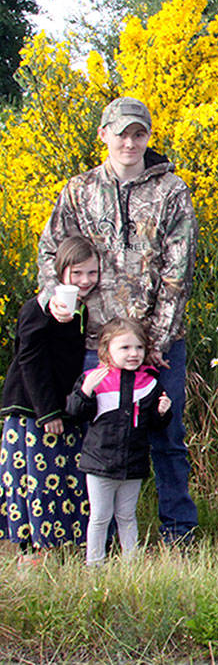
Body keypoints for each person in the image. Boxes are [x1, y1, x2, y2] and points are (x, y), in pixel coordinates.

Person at [37, 96, 198, 544]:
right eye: (121, 132)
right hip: (94, 342)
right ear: (104, 134)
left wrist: (157, 344)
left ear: (148, 137)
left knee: (166, 433)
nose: (130, 141)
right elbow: (52, 251)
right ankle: (92, 535)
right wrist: (56, 298)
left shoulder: (172, 191)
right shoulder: (78, 190)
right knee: (94, 435)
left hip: (158, 343)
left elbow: (177, 271)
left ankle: (177, 532)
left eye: (138, 133)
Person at [0, 236, 98, 562]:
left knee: (64, 476)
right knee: (34, 480)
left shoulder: (80, 309)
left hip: (60, 405)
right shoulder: (37, 308)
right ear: (61, 272)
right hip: (32, 409)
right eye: (77, 274)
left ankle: (58, 545)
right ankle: (30, 550)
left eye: (92, 273)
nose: (85, 281)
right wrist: (46, 412)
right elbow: (30, 361)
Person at [66, 317, 174, 565]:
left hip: (133, 462)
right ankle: (94, 564)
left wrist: (162, 412)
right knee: (100, 517)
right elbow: (74, 413)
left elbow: (156, 426)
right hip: (99, 462)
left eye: (138, 348)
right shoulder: (94, 379)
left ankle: (131, 564)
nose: (133, 354)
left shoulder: (150, 383)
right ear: (106, 351)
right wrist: (85, 393)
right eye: (124, 348)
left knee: (127, 515)